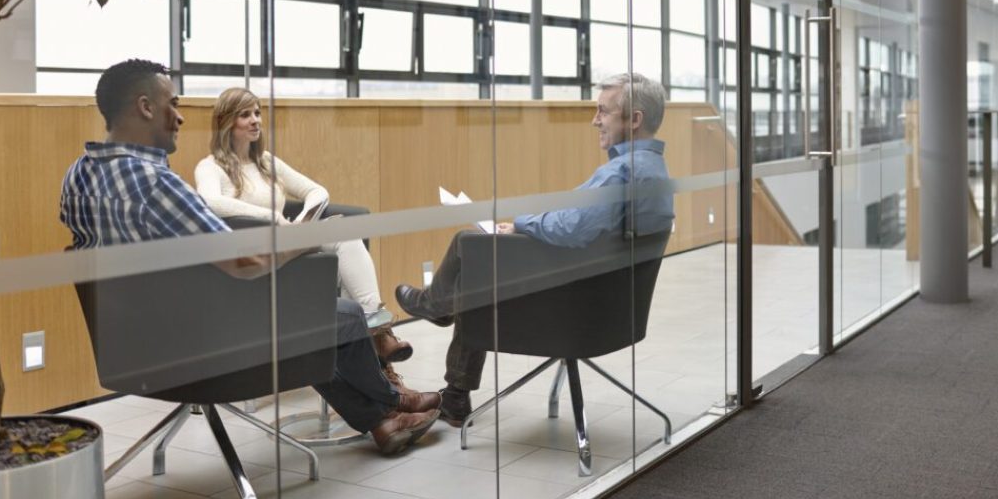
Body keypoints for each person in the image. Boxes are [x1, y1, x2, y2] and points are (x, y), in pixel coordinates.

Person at [59, 59, 440, 455]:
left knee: (305, 314)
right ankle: (393, 402)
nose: (180, 117)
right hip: (195, 346)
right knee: (339, 314)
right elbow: (244, 265)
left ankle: (382, 422)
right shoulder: (157, 184)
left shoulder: (77, 176)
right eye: (173, 104)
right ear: (145, 107)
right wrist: (306, 238)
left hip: (129, 346)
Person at [395, 72, 674, 426]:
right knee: (482, 267)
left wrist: (523, 225)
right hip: (611, 311)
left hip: (573, 316)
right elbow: (582, 225)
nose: (595, 120)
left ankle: (435, 305)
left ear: (635, 120)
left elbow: (573, 229)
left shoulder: (621, 172)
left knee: (473, 255)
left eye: (603, 111)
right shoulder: (654, 170)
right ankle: (453, 388)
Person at [194, 87, 412, 365]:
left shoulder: (266, 162)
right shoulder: (210, 167)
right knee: (345, 265)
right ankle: (378, 345)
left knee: (345, 236)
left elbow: (317, 191)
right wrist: (271, 217)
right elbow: (209, 201)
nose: (256, 120)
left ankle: (374, 335)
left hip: (289, 244)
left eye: (258, 113)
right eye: (245, 115)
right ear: (226, 122)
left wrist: (300, 221)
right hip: (257, 260)